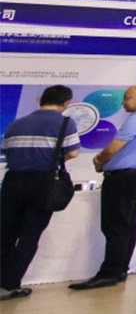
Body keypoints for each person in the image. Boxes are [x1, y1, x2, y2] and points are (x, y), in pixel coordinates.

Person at [71, 84, 136, 290]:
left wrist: (100, 161)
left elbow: (112, 149)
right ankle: (120, 269)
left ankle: (109, 273)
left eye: (127, 98)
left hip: (124, 179)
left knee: (116, 226)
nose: (123, 103)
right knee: (128, 224)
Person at [2, 85, 83, 299]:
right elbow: (73, 153)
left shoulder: (16, 124)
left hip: (12, 181)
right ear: (65, 103)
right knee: (30, 235)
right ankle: (10, 284)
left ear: (40, 100)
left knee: (5, 232)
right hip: (42, 182)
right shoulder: (65, 123)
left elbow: (6, 152)